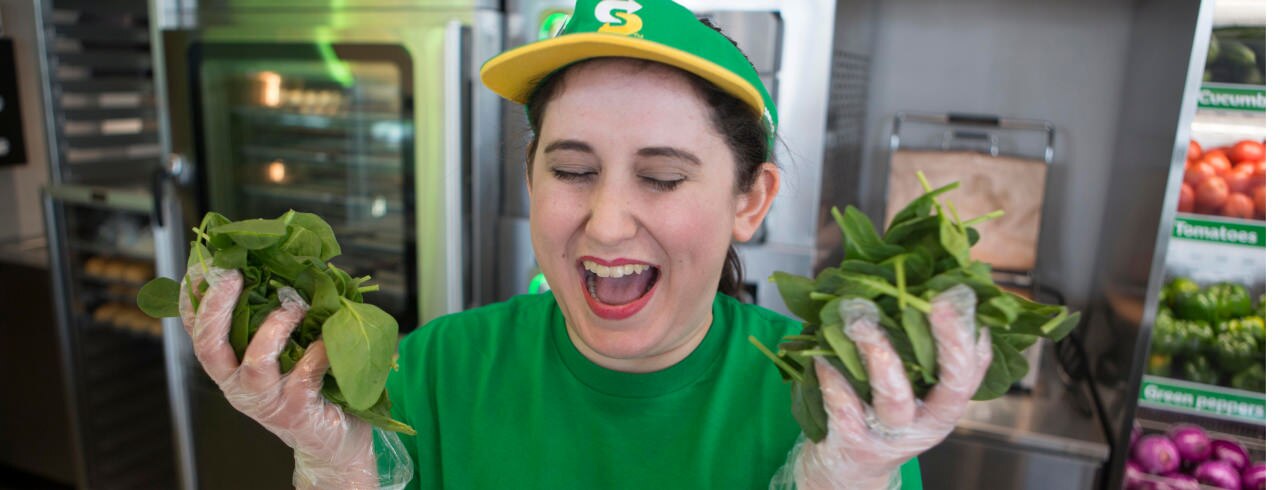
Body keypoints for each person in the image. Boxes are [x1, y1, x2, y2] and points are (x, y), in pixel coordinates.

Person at [178, 0, 993, 488]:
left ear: (750, 200)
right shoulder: (430, 371)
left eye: (662, 178)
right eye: (571, 170)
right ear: (530, 178)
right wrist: (339, 473)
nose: (605, 223)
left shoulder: (839, 408)